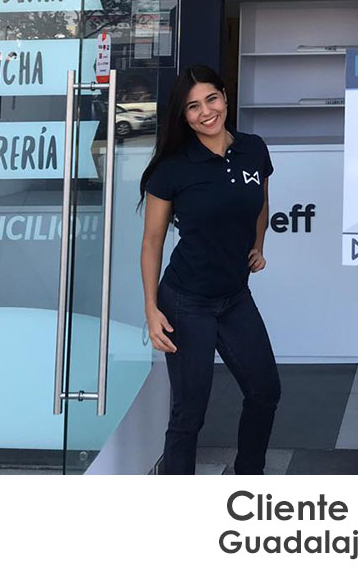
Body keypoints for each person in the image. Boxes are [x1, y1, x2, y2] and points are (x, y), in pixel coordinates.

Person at [139, 64, 280, 475]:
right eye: (193, 107)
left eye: (211, 99)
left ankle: (248, 477)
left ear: (225, 97)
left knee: (265, 391)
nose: (206, 112)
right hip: (186, 302)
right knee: (189, 413)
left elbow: (261, 203)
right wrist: (151, 309)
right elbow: (152, 241)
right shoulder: (172, 167)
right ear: (183, 117)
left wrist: (258, 245)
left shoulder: (253, 148)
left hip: (234, 297)